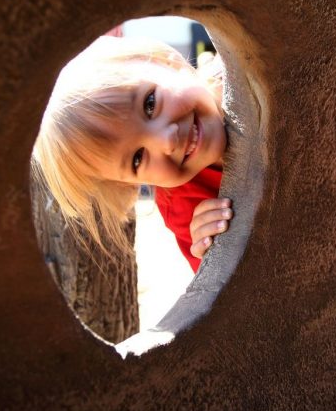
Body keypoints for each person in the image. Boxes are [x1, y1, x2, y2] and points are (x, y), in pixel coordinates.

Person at [32, 36, 233, 273]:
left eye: (150, 104)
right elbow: (224, 289)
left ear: (166, 62)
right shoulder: (184, 208)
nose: (167, 141)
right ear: (129, 184)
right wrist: (214, 254)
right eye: (137, 158)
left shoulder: (247, 71)